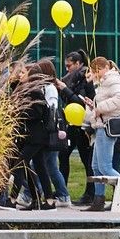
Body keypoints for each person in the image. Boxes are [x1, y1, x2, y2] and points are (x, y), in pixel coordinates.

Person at [84, 56, 120, 212]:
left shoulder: (112, 80)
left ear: (105, 68)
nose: (96, 74)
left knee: (105, 167)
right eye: (95, 71)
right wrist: (94, 105)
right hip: (101, 125)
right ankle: (98, 199)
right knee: (96, 166)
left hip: (106, 126)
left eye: (97, 71)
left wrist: (100, 107)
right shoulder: (105, 81)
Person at [9, 64, 56, 211]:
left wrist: (18, 111)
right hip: (30, 136)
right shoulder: (26, 89)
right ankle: (43, 200)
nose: (20, 75)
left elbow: (37, 112)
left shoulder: (35, 91)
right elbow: (13, 87)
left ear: (31, 75)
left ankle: (12, 199)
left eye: (23, 72)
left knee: (20, 163)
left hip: (37, 136)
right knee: (38, 167)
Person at [56, 50, 96, 205]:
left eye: (69, 65)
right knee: (63, 154)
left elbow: (81, 102)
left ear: (78, 64)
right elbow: (68, 99)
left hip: (84, 124)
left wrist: (65, 89)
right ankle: (62, 190)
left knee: (87, 160)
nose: (67, 69)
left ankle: (91, 193)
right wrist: (62, 89)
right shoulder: (70, 78)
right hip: (73, 123)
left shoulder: (85, 78)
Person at [36, 58, 71, 207]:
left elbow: (52, 108)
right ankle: (63, 195)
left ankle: (33, 194)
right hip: (49, 131)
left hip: (49, 132)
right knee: (51, 166)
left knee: (38, 164)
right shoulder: (45, 87)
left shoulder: (49, 89)